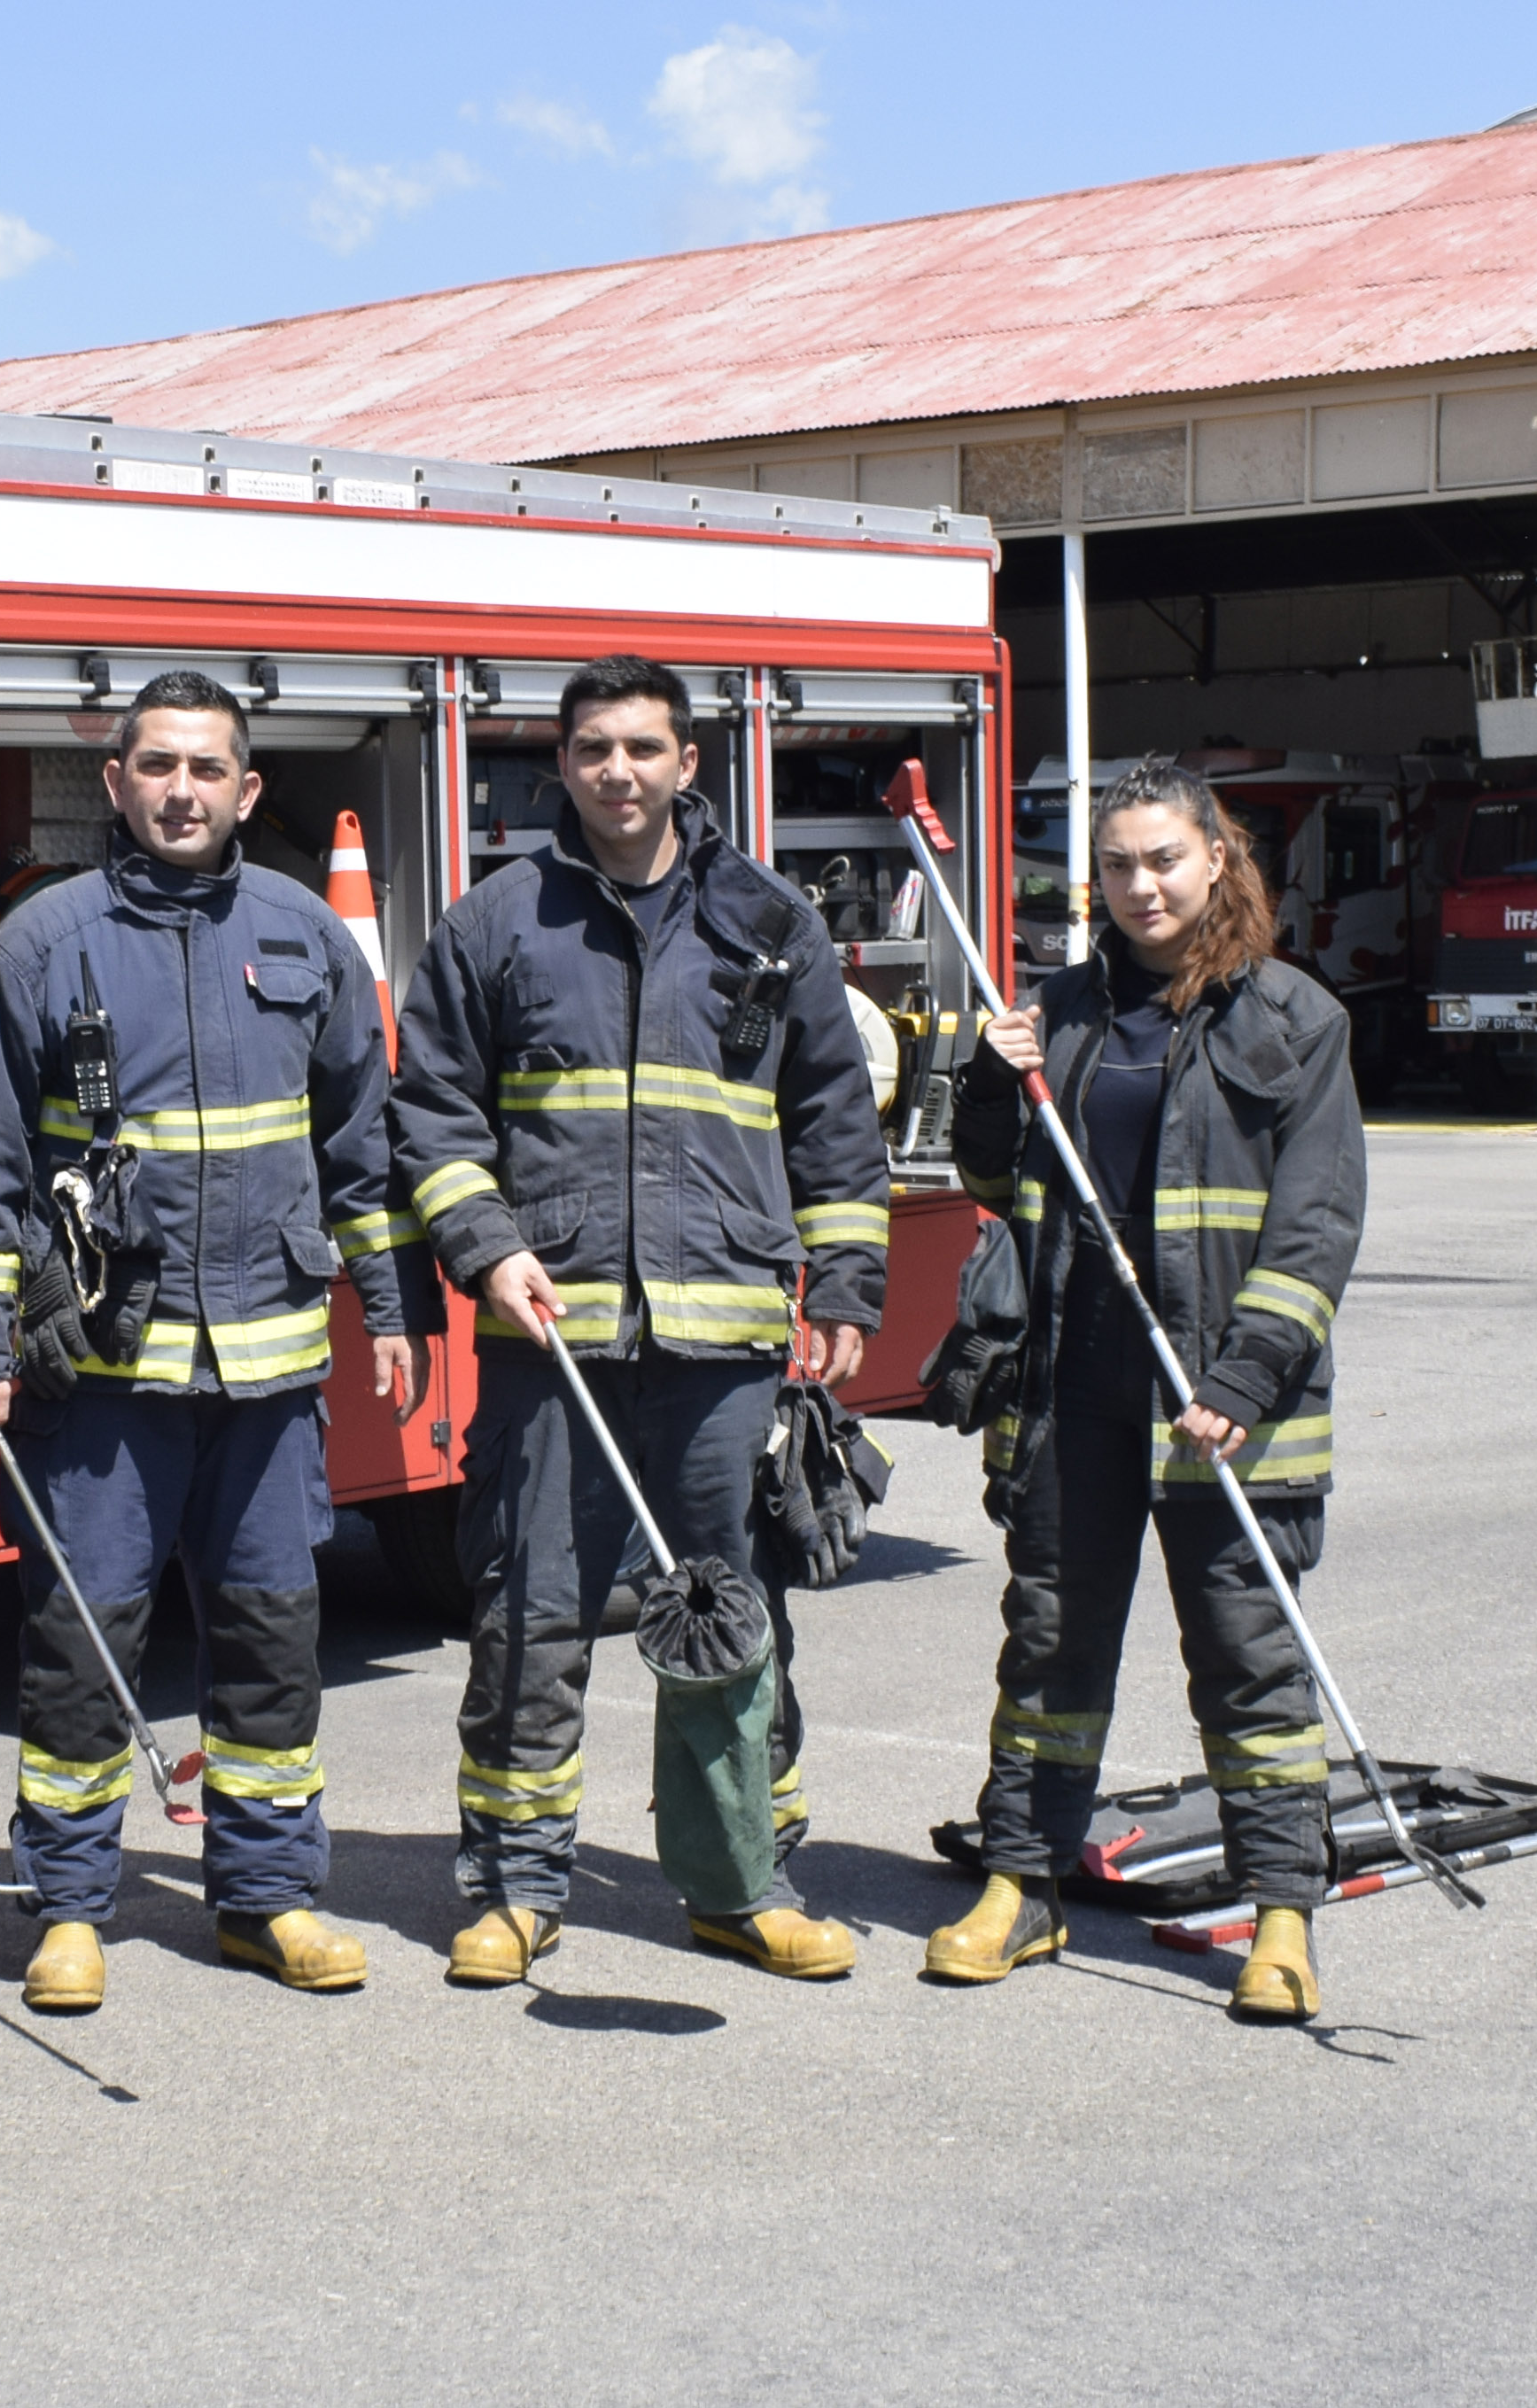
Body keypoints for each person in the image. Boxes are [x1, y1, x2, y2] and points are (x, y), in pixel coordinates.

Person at [0, 672, 428, 2013]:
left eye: (208, 769)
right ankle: (68, 1908)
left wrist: (392, 1310)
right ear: (116, 782)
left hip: (267, 1377)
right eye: (157, 765)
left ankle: (267, 1899)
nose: (182, 791)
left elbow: (361, 1147)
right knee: (80, 1643)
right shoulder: (42, 946)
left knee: (271, 1640)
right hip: (100, 1383)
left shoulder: (305, 934)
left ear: (247, 790)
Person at [389, 656, 892, 1989]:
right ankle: (514, 1888)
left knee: (726, 1610)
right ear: (560, 764)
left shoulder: (767, 919)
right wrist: (485, 1246)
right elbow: (431, 1110)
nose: (619, 770)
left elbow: (833, 1118)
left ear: (687, 762)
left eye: (643, 746)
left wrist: (848, 1279)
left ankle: (740, 1884)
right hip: (551, 1333)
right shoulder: (496, 922)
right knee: (528, 1612)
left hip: (722, 1336)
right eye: (593, 748)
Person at [924, 760, 1365, 2023]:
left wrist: (1246, 1372)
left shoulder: (1294, 1018)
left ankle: (1281, 1913)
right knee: (1050, 1644)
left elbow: (1317, 1222)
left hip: (1222, 1401)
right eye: (1116, 866)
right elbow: (995, 1180)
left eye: (1163, 859)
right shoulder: (1060, 1011)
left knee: (1247, 1655)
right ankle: (1021, 1883)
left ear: (1215, 857)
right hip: (1075, 1385)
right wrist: (989, 1080)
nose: (1140, 886)